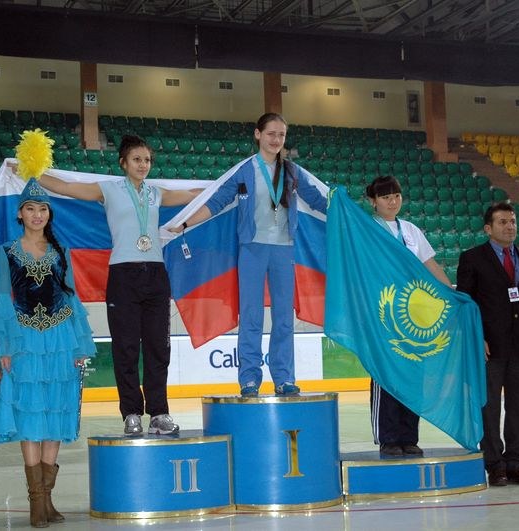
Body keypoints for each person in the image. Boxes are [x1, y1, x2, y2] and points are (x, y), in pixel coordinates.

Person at [38, 135, 197, 436]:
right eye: (137, 159)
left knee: (157, 348)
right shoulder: (107, 189)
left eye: (147, 160)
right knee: (125, 347)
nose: (143, 165)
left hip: (156, 274)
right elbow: (67, 188)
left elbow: (193, 194)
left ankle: (160, 413)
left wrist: (227, 185)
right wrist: (32, 173)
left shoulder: (156, 193)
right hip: (123, 274)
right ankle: (132, 413)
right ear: (123, 163)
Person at [178, 113, 327, 397]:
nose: (277, 140)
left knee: (284, 317)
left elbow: (319, 201)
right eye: (271, 133)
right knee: (251, 315)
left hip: (284, 249)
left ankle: (284, 378)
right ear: (258, 134)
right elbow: (217, 201)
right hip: (252, 249)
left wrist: (346, 213)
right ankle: (249, 379)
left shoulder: (293, 172)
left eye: (282, 135)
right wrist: (186, 223)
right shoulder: (245, 170)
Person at [0, 178, 96, 528]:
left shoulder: (60, 251)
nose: (37, 214)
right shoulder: (5, 251)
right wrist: (3, 345)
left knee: (55, 412)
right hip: (24, 340)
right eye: (31, 209)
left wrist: (79, 344)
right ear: (20, 214)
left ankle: (48, 499)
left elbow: (72, 298)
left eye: (43, 209)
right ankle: (36, 501)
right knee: (31, 416)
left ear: (49, 214)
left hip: (60, 340)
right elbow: (0, 300)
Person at [457, 202, 519, 486]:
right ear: (488, 228)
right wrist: (476, 337)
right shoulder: (472, 258)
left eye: (512, 221)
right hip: (488, 349)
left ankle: (515, 463)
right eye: (503, 222)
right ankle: (494, 464)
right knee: (489, 408)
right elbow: (465, 304)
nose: (510, 226)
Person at [365, 175, 451, 457]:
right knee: (386, 375)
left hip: (415, 317)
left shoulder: (411, 230)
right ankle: (388, 438)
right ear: (373, 201)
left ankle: (408, 436)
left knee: (414, 374)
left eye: (397, 196)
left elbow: (430, 265)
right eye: (386, 197)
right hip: (383, 314)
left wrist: (453, 294)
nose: (393, 201)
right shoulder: (366, 229)